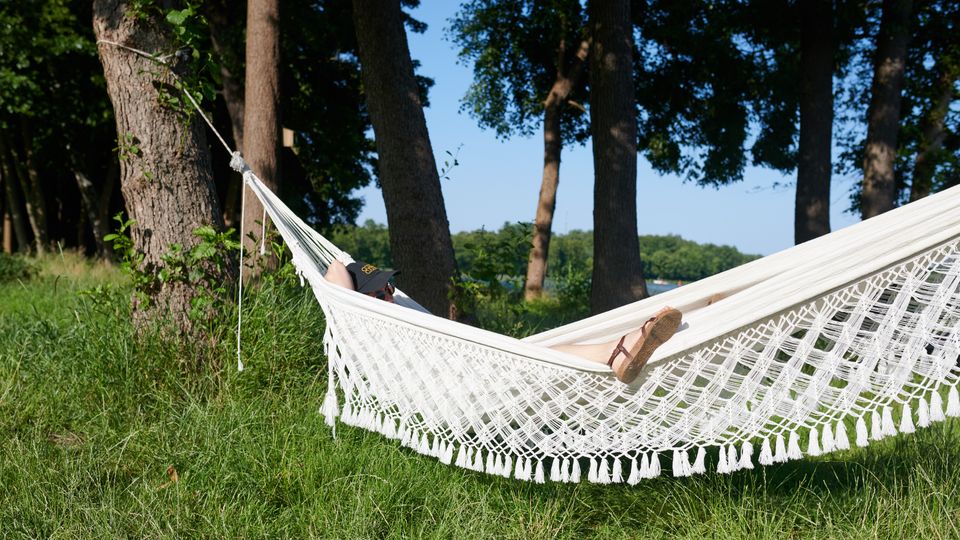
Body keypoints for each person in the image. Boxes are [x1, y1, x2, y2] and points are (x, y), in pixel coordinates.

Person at [325, 260, 682, 384]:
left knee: (535, 351)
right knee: (534, 355)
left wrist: (372, 291)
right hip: (457, 380)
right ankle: (618, 349)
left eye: (389, 285)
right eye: (380, 290)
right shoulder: (361, 320)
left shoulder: (389, 311)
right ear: (359, 298)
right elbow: (335, 270)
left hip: (470, 359)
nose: (390, 292)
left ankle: (621, 347)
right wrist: (356, 292)